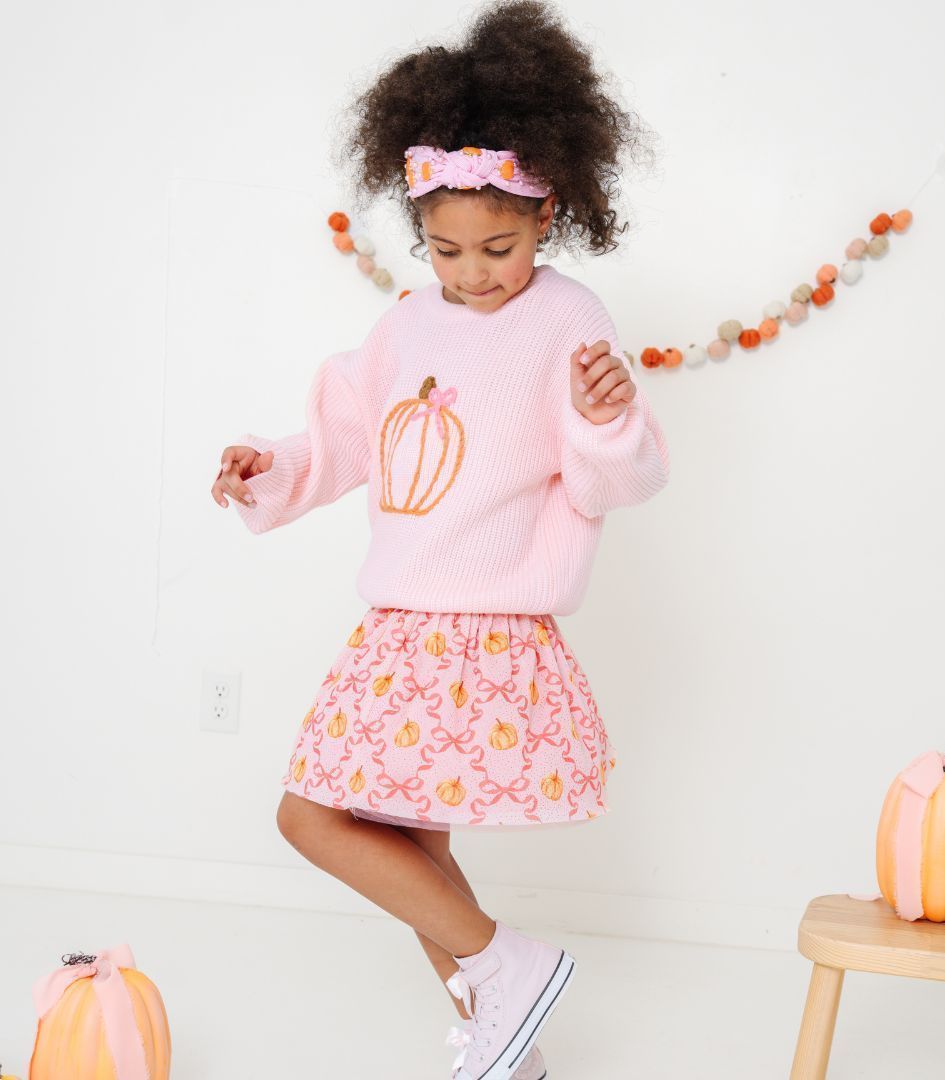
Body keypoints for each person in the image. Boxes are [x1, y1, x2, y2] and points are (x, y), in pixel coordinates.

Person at [210, 3, 668, 1077]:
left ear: (548, 213)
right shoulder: (407, 323)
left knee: (312, 819)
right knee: (405, 846)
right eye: (447, 248)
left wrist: (607, 416)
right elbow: (343, 441)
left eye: (498, 248)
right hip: (399, 624)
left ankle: (506, 969)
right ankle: (509, 1025)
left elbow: (620, 477)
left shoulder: (569, 319)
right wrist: (265, 467)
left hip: (485, 631)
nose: (471, 272)